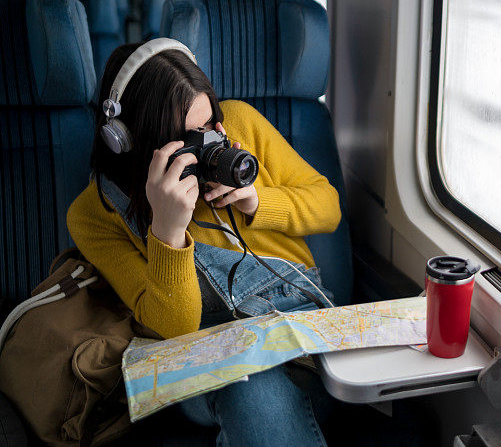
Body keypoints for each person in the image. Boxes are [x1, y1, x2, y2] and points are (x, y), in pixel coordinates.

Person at [66, 39, 341, 446]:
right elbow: (174, 327)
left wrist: (258, 201)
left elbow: (329, 207)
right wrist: (167, 232)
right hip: (201, 348)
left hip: (294, 323)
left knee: (255, 393)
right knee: (248, 387)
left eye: (210, 124)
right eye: (187, 139)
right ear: (129, 139)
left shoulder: (240, 124)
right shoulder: (96, 213)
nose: (209, 143)